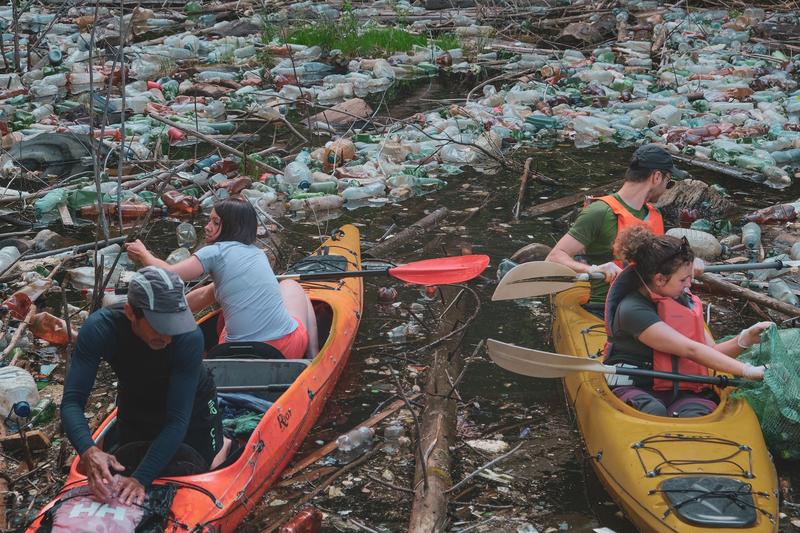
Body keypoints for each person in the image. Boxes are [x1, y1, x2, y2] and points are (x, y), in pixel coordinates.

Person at [61, 267, 224, 505]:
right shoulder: (100, 329)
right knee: (130, 461)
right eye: (160, 326)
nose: (168, 337)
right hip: (136, 397)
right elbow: (72, 402)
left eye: (174, 325)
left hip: (191, 402)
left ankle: (224, 443)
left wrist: (141, 478)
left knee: (199, 464)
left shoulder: (189, 337)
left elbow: (178, 420)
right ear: (130, 312)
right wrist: (89, 450)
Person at [604, 226, 768, 418]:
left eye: (690, 277)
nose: (689, 285)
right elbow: (690, 350)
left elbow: (710, 352)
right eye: (683, 279)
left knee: (697, 413)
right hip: (638, 387)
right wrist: (746, 370)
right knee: (653, 411)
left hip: (684, 390)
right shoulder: (632, 309)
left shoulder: (682, 300)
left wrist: (744, 339)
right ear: (659, 279)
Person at [126, 198, 318, 358]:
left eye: (215, 222)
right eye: (209, 221)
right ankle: (313, 355)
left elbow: (170, 274)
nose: (207, 227)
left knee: (288, 284)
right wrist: (157, 315)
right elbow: (204, 295)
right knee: (292, 286)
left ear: (233, 226)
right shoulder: (258, 253)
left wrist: (144, 255)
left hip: (231, 354)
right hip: (284, 350)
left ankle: (314, 358)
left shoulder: (215, 252)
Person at [546, 144, 677, 316]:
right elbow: (554, 258)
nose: (667, 188)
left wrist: (686, 266)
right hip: (605, 309)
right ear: (657, 177)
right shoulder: (599, 212)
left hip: (647, 306)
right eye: (669, 182)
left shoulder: (655, 215)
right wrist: (592, 269)